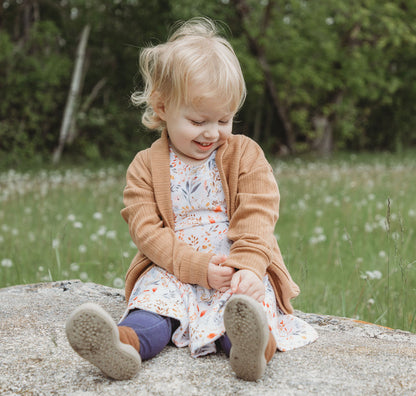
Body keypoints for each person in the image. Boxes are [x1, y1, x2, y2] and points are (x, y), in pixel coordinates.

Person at [65, 17, 317, 382]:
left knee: (245, 306)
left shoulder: (245, 154)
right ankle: (123, 344)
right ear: (163, 107)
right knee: (153, 306)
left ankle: (252, 348)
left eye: (225, 119)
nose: (213, 132)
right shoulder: (145, 167)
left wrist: (248, 265)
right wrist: (195, 268)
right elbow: (146, 230)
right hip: (172, 266)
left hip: (233, 265)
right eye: (199, 121)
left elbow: (258, 211)